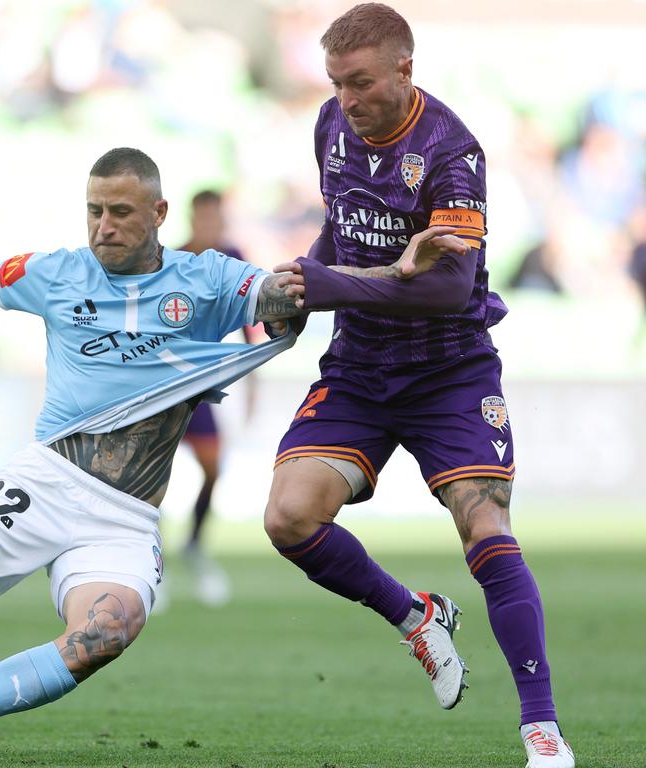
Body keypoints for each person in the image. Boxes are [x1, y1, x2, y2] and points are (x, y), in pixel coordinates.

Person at [0, 146, 458, 758]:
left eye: (120, 212)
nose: (104, 227)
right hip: (42, 485)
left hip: (122, 521)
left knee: (104, 633)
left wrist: (395, 268)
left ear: (158, 215)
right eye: (94, 211)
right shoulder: (52, 273)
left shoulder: (205, 281)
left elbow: (299, 288)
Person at [264, 6, 574, 768]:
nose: (348, 99)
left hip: (449, 369)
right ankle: (415, 616)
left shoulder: (450, 151)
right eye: (336, 83)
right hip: (362, 367)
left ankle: (541, 728)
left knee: (486, 527)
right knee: (288, 518)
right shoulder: (329, 129)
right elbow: (339, 234)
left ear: (405, 69)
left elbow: (446, 287)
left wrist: (332, 286)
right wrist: (301, 294)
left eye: (362, 82)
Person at [175, 189, 255, 605]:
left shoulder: (232, 256)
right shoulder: (175, 257)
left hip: (204, 388)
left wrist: (254, 382)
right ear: (192, 216)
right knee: (150, 478)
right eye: (202, 215)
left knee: (212, 467)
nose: (208, 223)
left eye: (214, 216)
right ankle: (147, 559)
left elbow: (250, 320)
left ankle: (192, 543)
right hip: (168, 383)